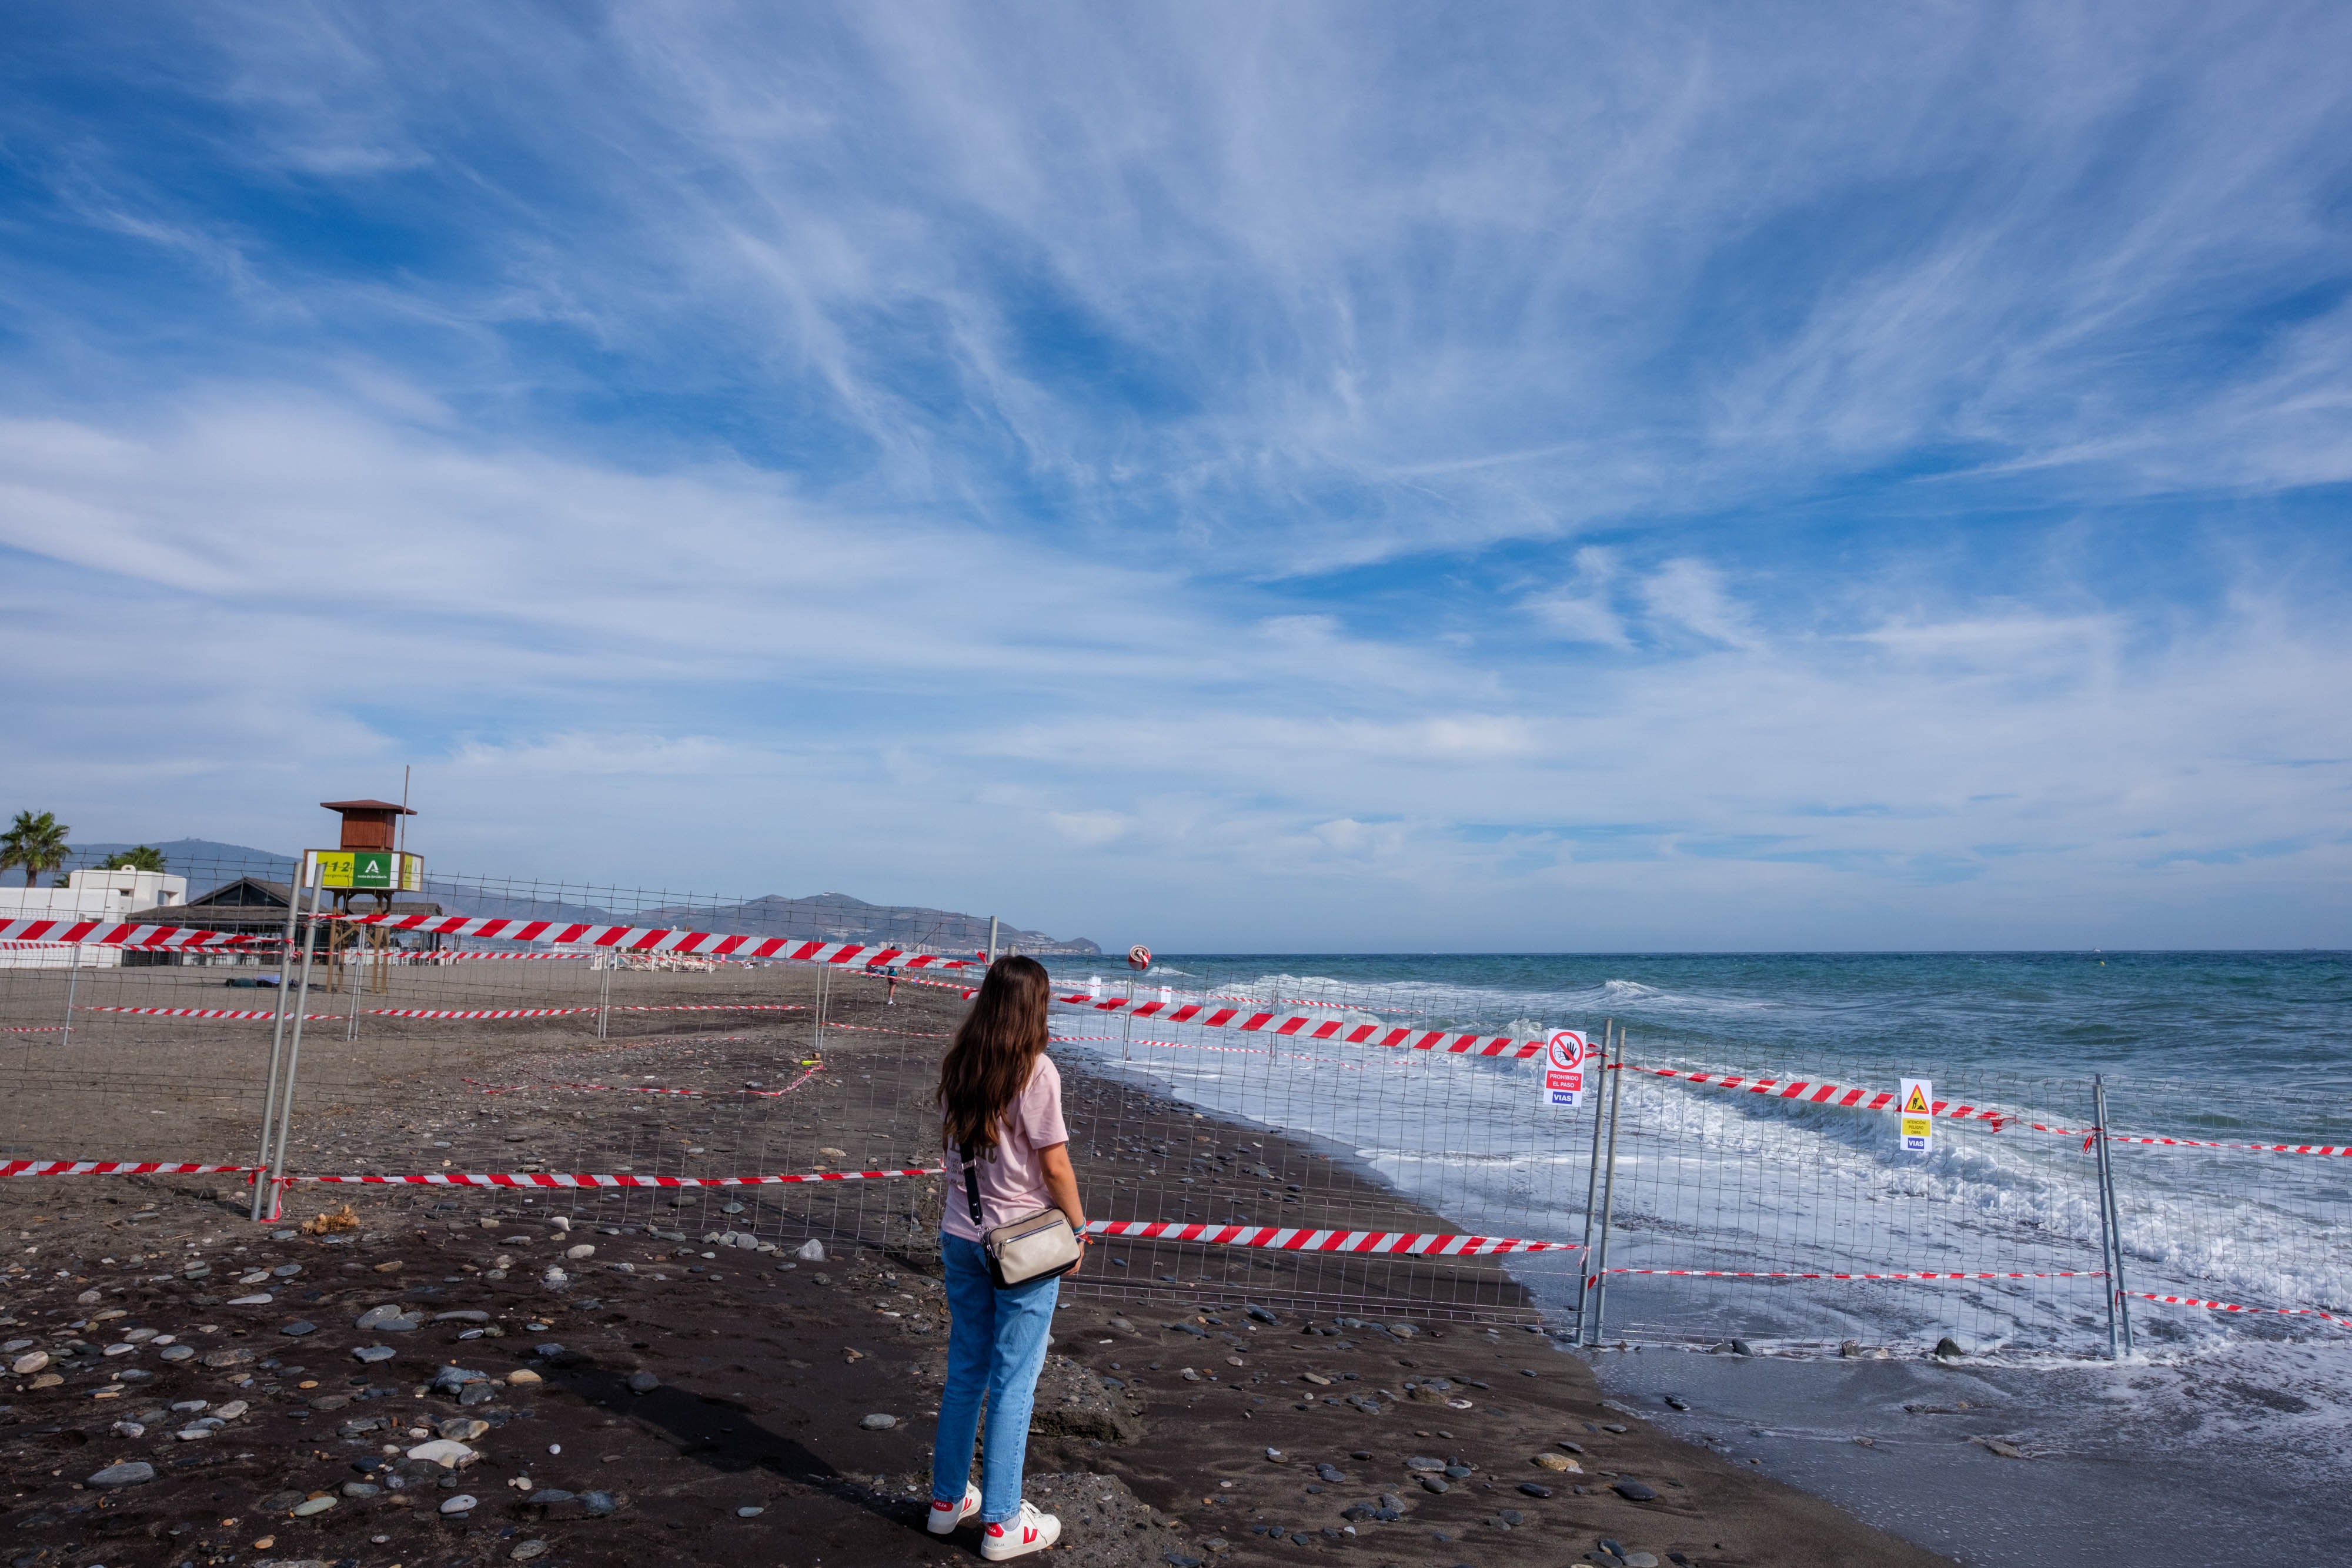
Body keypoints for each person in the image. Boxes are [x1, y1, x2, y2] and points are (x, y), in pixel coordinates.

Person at [926, 955, 1088, 1560]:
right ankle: (1000, 1523)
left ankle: (947, 1502)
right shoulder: (1035, 1071)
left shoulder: (960, 1063)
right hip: (1020, 1246)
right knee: (1015, 1381)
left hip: (960, 1235)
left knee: (966, 1371)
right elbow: (1054, 1163)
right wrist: (1077, 1230)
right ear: (1034, 1007)